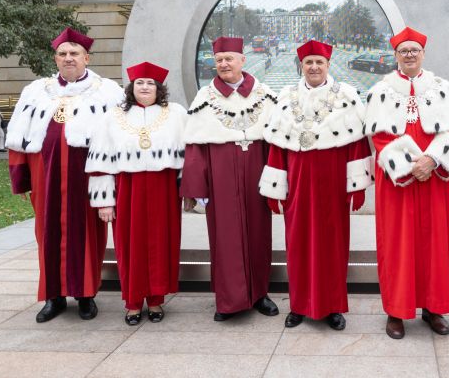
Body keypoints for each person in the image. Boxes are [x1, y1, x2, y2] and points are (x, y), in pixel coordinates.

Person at [6, 27, 124, 322]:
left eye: (74, 53)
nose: (68, 58)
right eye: (62, 54)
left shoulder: (108, 92)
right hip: (44, 178)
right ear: (55, 58)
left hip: (87, 178)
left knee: (88, 234)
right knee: (46, 235)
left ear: (87, 57)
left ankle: (86, 296)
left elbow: (122, 139)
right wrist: (20, 179)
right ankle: (53, 297)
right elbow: (18, 138)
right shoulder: (35, 91)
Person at [260, 40, 373, 331]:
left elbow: (357, 145)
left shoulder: (346, 95)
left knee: (334, 246)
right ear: (302, 66)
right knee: (296, 245)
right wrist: (275, 189)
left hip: (333, 185)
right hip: (297, 185)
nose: (313, 67)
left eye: (319, 63)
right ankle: (298, 305)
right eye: (308, 62)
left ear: (327, 65)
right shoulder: (286, 96)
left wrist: (357, 186)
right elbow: (276, 147)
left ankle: (333, 306)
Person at [365, 26, 449, 340]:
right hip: (397, 180)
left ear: (423, 53)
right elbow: (379, 137)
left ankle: (433, 308)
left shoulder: (441, 87)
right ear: (395, 55)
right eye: (403, 51)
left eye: (414, 50)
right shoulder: (381, 89)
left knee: (434, 243)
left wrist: (432, 160)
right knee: (397, 244)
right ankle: (396, 311)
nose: (409, 55)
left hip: (433, 176)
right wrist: (408, 166)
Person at [181, 37, 279, 321]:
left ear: (242, 60)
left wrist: (278, 180)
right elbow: (195, 147)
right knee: (225, 239)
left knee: (259, 234)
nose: (224, 64)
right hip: (220, 178)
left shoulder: (264, 94)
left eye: (229, 59)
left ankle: (261, 293)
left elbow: (276, 142)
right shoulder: (205, 98)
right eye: (219, 59)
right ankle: (228, 300)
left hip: (256, 175)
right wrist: (198, 187)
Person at [85, 62, 186, 325]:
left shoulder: (176, 114)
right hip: (127, 189)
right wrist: (104, 201)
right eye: (140, 82)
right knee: (130, 246)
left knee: (162, 244)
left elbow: (191, 157)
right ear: (131, 87)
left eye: (150, 83)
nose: (145, 87)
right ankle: (132, 303)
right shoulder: (112, 117)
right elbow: (100, 161)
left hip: (164, 190)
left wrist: (188, 190)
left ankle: (155, 301)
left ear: (159, 88)